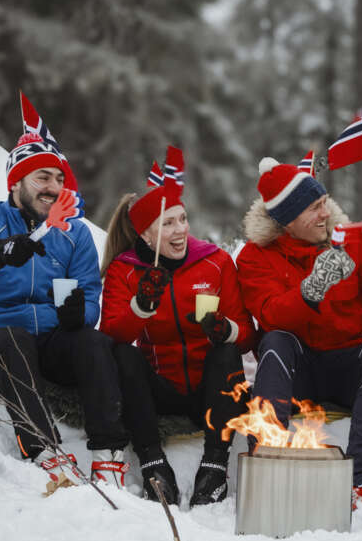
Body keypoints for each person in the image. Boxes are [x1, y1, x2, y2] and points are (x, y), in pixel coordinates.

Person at [0, 96, 129, 492]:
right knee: (14, 337)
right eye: (42, 178)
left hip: (52, 343)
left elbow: (90, 295)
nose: (53, 187)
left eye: (59, 179)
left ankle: (109, 455)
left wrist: (80, 314)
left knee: (93, 342)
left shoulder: (73, 233)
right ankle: (44, 450)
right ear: (17, 182)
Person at [236, 157, 362, 510]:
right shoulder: (254, 257)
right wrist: (310, 290)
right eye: (312, 209)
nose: (324, 213)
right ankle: (265, 465)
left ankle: (358, 484)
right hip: (297, 376)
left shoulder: (353, 242)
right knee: (275, 340)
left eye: (323, 203)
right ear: (286, 221)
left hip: (350, 366)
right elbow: (271, 313)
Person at [99, 166, 256, 506]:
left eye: (182, 219)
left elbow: (247, 337)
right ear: (145, 235)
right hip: (160, 390)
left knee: (226, 352)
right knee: (125, 356)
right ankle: (153, 463)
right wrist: (141, 306)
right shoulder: (124, 270)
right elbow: (110, 336)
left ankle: (215, 467)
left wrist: (224, 329)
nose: (180, 229)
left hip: (209, 391)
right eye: (167, 223)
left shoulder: (215, 262)